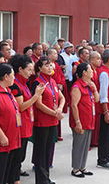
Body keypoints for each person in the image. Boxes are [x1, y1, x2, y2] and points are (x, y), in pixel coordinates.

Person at [7, 55, 46, 184]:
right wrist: (37, 95)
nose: (31, 73)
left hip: (27, 124)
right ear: (20, 69)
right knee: (17, 156)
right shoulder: (15, 86)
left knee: (21, 155)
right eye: (29, 70)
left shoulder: (24, 84)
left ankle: (15, 177)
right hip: (19, 126)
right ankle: (14, 179)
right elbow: (21, 107)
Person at [32, 56, 65, 184]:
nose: (50, 67)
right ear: (40, 68)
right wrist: (54, 113)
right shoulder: (38, 82)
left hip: (53, 121)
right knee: (41, 151)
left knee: (48, 151)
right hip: (42, 122)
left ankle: (46, 178)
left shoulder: (52, 81)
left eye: (51, 65)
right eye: (46, 65)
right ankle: (41, 180)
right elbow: (38, 104)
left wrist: (60, 109)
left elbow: (61, 98)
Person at [70, 63, 99, 178]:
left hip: (89, 120)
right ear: (84, 73)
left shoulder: (89, 85)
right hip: (80, 121)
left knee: (86, 145)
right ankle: (75, 168)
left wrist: (95, 89)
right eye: (90, 70)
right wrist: (77, 122)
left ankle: (82, 166)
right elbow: (73, 105)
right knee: (78, 144)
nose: (92, 71)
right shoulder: (77, 87)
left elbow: (96, 100)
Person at [89, 51, 102, 147]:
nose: (100, 61)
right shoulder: (88, 70)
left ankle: (94, 140)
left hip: (96, 98)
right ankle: (89, 142)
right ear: (92, 60)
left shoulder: (96, 70)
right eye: (97, 59)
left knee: (96, 119)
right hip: (90, 98)